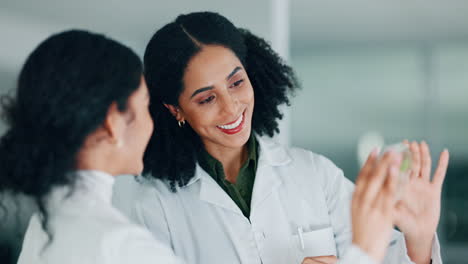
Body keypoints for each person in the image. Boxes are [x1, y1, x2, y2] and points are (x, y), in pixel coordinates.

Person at [115, 11, 450, 264]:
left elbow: (381, 254)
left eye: (236, 82)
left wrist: (418, 240)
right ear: (175, 110)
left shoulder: (315, 175)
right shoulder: (156, 207)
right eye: (207, 98)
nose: (232, 108)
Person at [0, 30, 183, 264]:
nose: (151, 123)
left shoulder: (41, 231)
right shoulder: (124, 247)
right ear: (113, 123)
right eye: (145, 105)